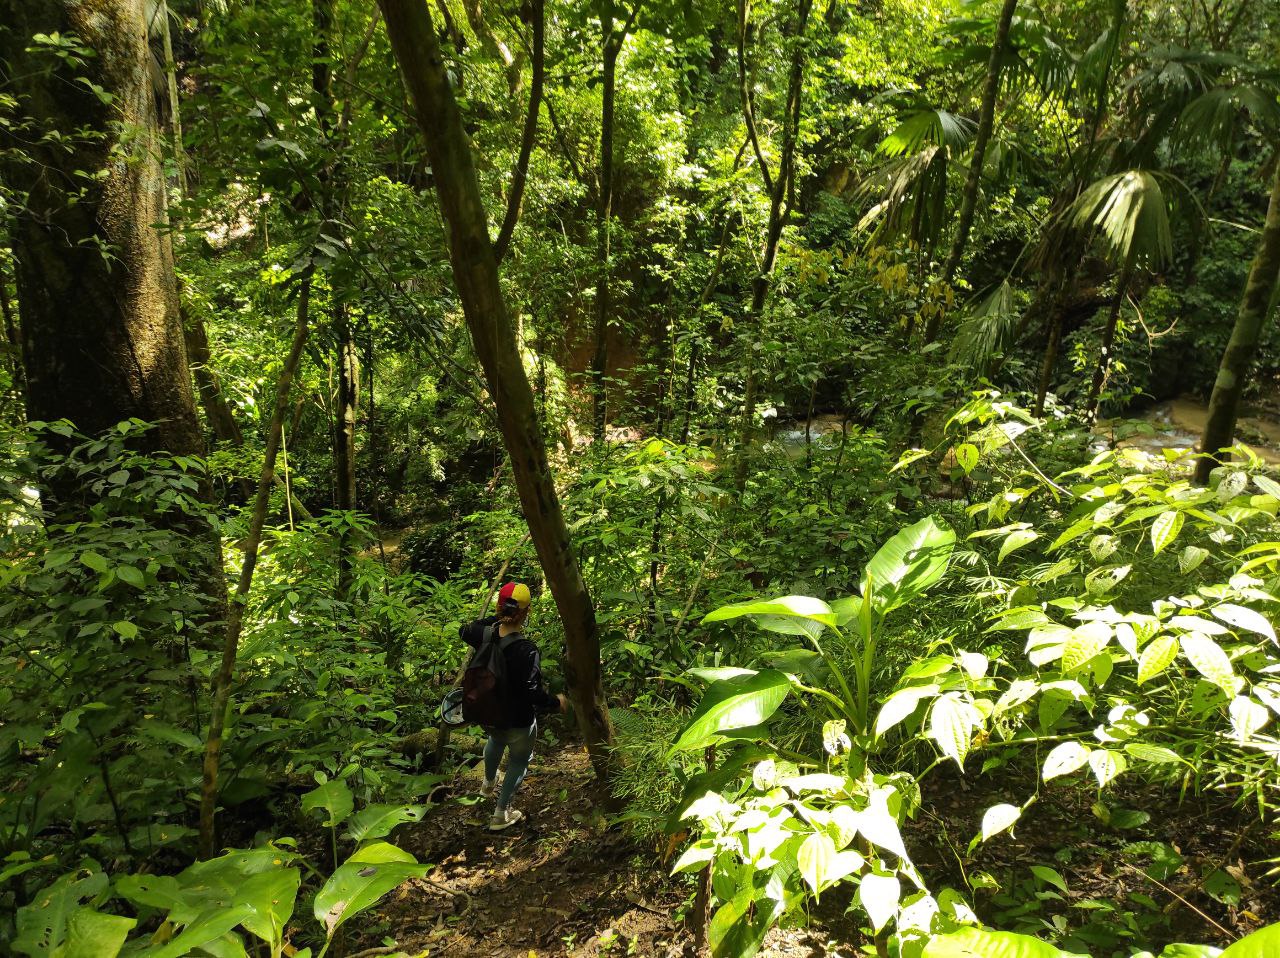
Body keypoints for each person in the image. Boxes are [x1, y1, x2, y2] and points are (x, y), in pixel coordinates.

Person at [459, 581, 567, 831]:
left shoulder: (481, 633)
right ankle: (500, 814)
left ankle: (487, 783)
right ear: (526, 612)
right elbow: (532, 693)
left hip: (488, 713)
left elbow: (464, 630)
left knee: (495, 741)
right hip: (518, 720)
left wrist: (493, 622)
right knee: (519, 760)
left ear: (499, 608)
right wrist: (556, 702)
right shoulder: (526, 650)